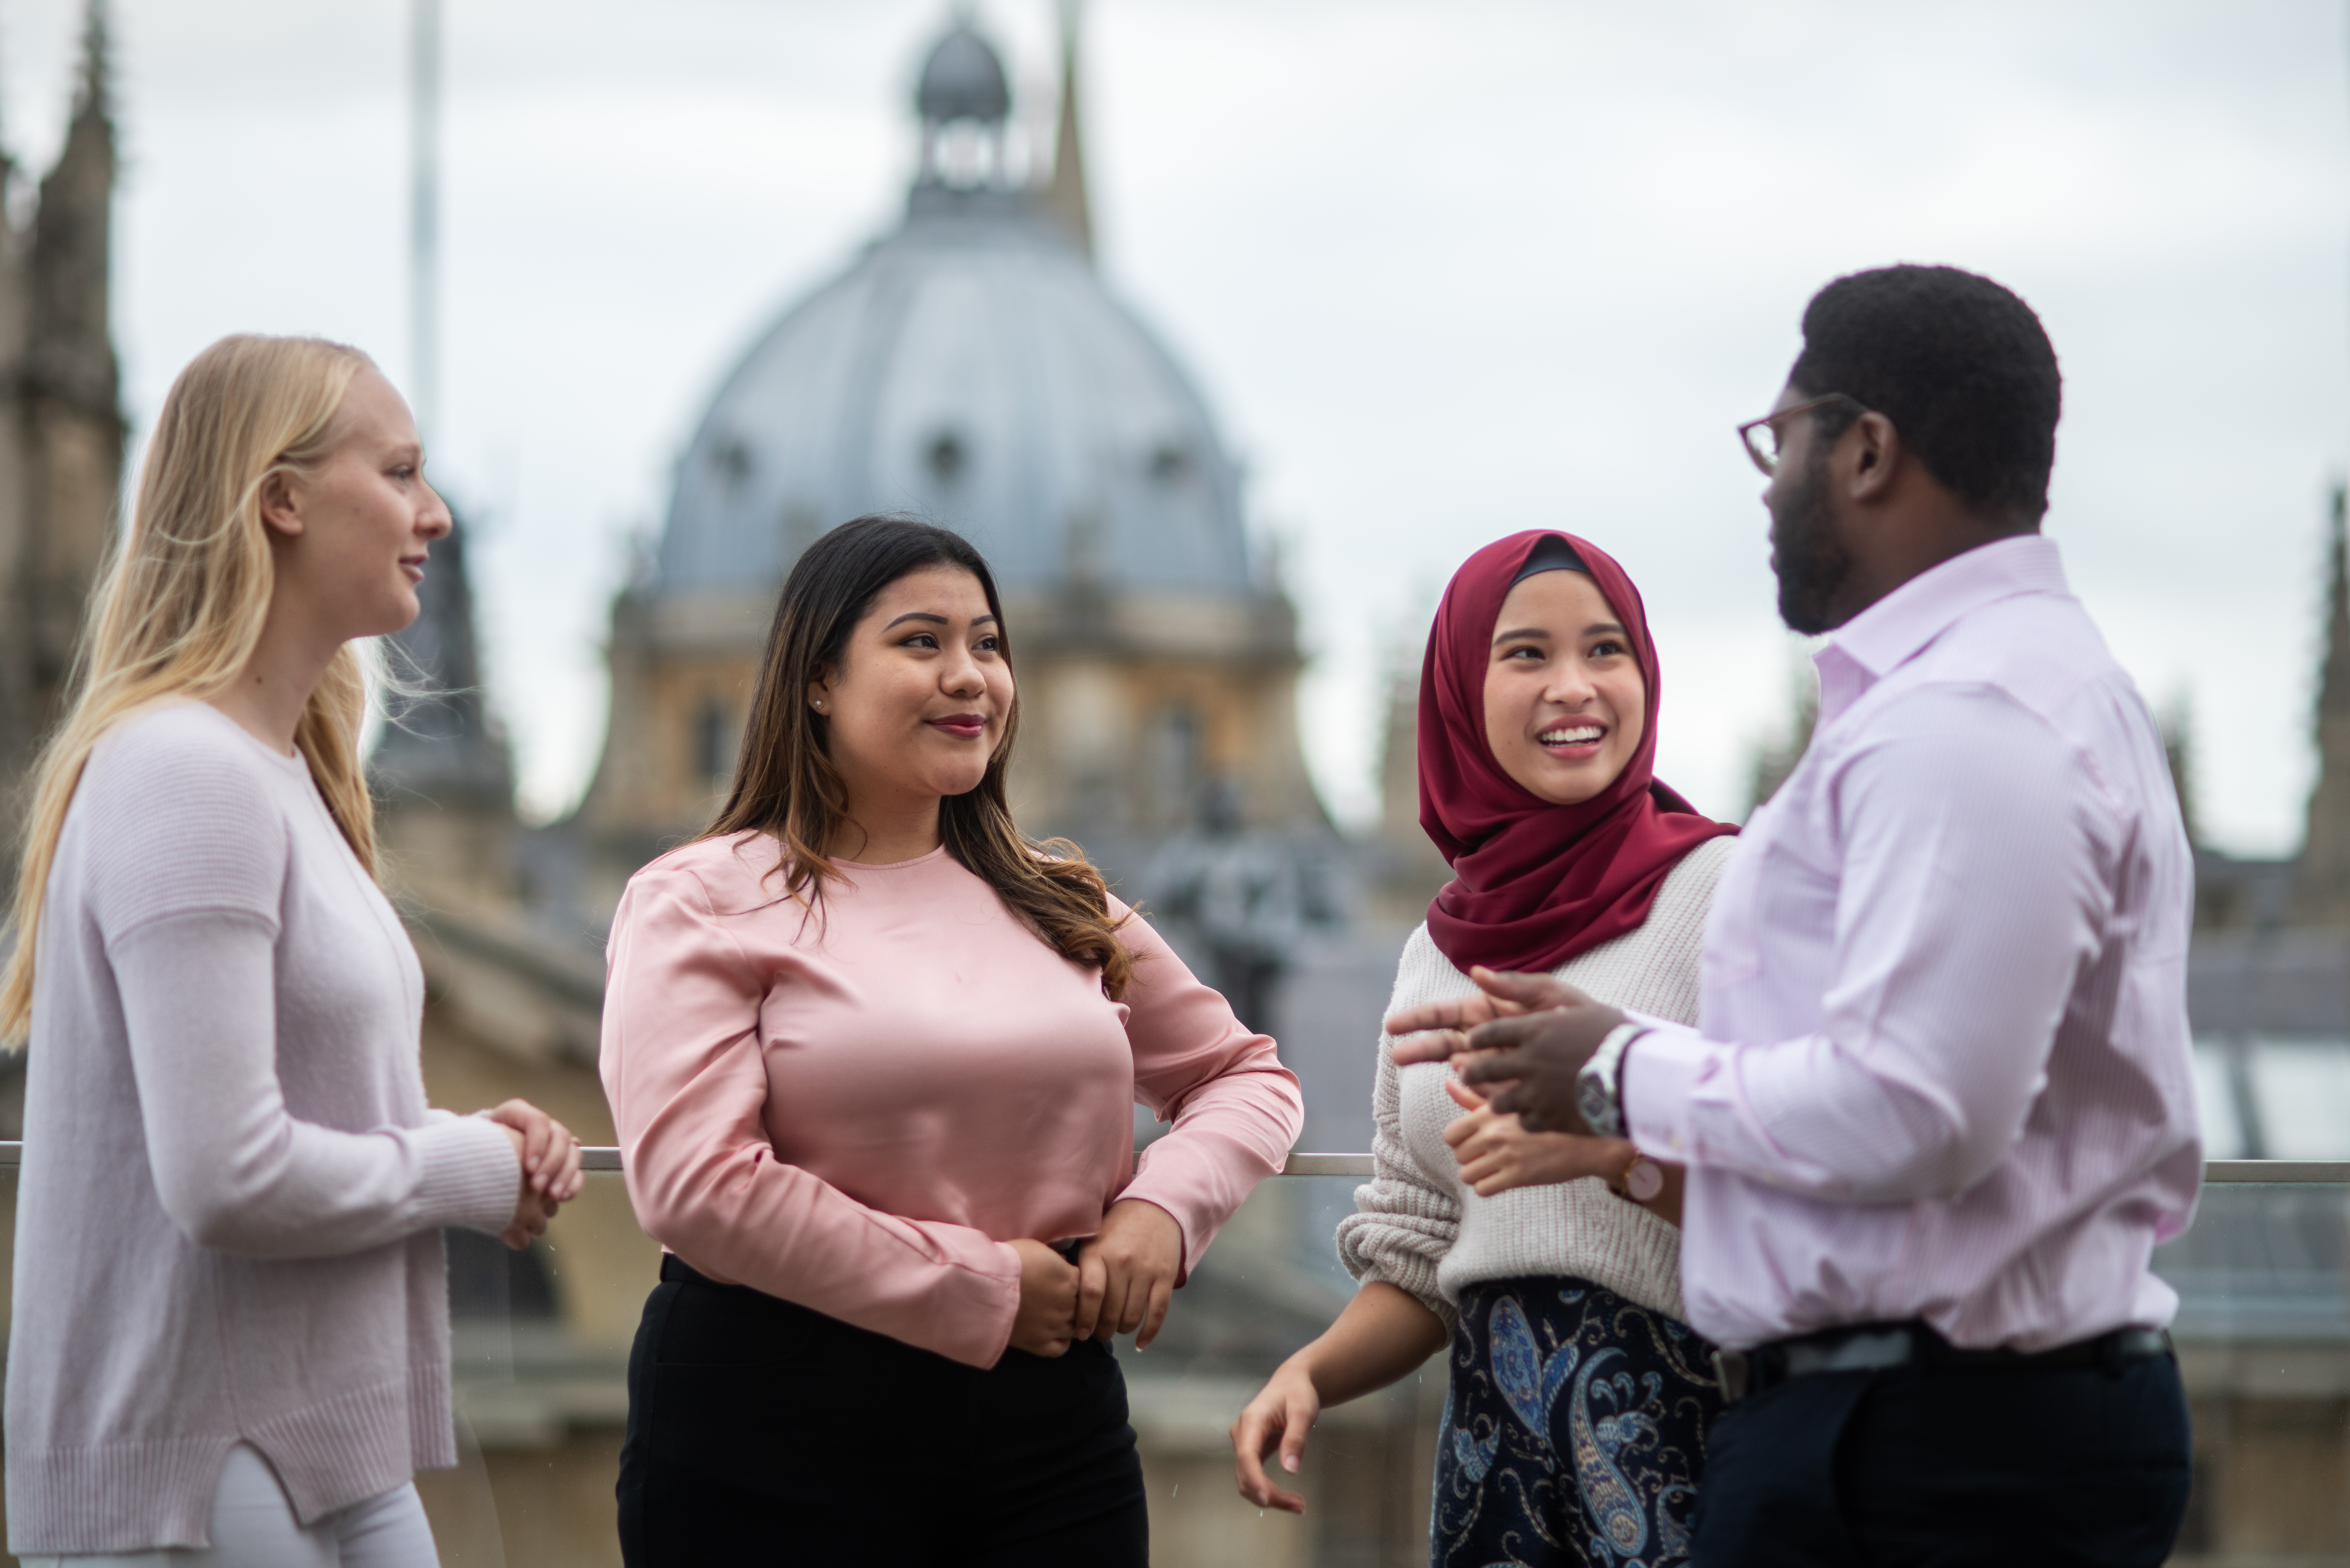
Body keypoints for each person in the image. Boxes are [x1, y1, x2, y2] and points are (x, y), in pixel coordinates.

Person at [1391, 265, 2199, 1567]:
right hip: (1920, 1417)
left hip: (1936, 1441)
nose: (1766, 487)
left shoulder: (1965, 722)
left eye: (1781, 441)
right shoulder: (1979, 695)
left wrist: (1609, 1070)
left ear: (1866, 450)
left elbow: (1916, 1112)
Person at [601, 514, 1303, 1567]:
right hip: (773, 1419)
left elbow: (1244, 1075)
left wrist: (1163, 1210)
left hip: (1050, 1424)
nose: (970, 675)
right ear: (817, 680)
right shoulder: (694, 899)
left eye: (988, 644)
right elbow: (695, 1188)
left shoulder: (1060, 900)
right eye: (922, 642)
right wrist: (983, 1290)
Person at [1, 334, 584, 1567]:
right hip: (199, 1472)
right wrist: (463, 1170)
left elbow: (284, 1097)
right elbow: (224, 1175)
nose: (433, 513)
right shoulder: (185, 776)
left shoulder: (278, 778)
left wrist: (458, 1133)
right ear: (282, 499)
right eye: (400, 471)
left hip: (304, 1446)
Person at [1231, 530, 1738, 1565]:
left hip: (1691, 1442)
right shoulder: (1435, 949)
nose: (1574, 687)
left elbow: (1818, 1182)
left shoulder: (1726, 896)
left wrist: (1616, 1157)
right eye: (1525, 655)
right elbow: (1422, 1252)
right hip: (1488, 1464)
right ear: (1459, 689)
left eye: (1606, 651)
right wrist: (1311, 1374)